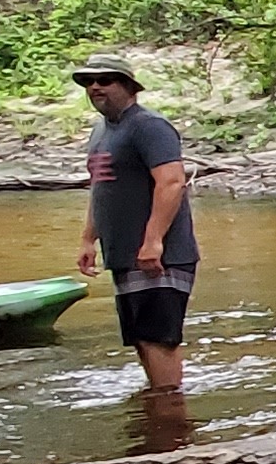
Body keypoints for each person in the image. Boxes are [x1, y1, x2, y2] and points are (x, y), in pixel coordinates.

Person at [69, 49, 198, 392]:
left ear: (129, 87)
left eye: (105, 80)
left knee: (159, 338)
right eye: (88, 82)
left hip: (162, 255)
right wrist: (88, 239)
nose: (95, 87)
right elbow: (101, 188)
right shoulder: (101, 132)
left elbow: (171, 182)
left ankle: (171, 417)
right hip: (125, 254)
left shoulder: (149, 126)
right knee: (141, 338)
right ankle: (159, 410)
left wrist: (154, 240)